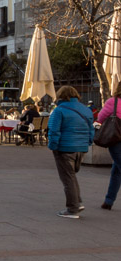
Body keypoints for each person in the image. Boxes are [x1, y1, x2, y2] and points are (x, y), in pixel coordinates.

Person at [47, 85, 94, 218]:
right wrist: (87, 142)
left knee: (67, 178)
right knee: (71, 176)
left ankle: (73, 208)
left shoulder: (59, 110)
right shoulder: (86, 110)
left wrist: (53, 146)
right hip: (81, 148)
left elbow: (54, 130)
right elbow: (91, 130)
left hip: (65, 147)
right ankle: (77, 202)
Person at [97, 80, 121, 210]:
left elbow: (100, 118)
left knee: (118, 168)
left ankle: (109, 200)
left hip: (116, 139)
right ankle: (108, 201)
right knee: (116, 170)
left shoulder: (113, 102)